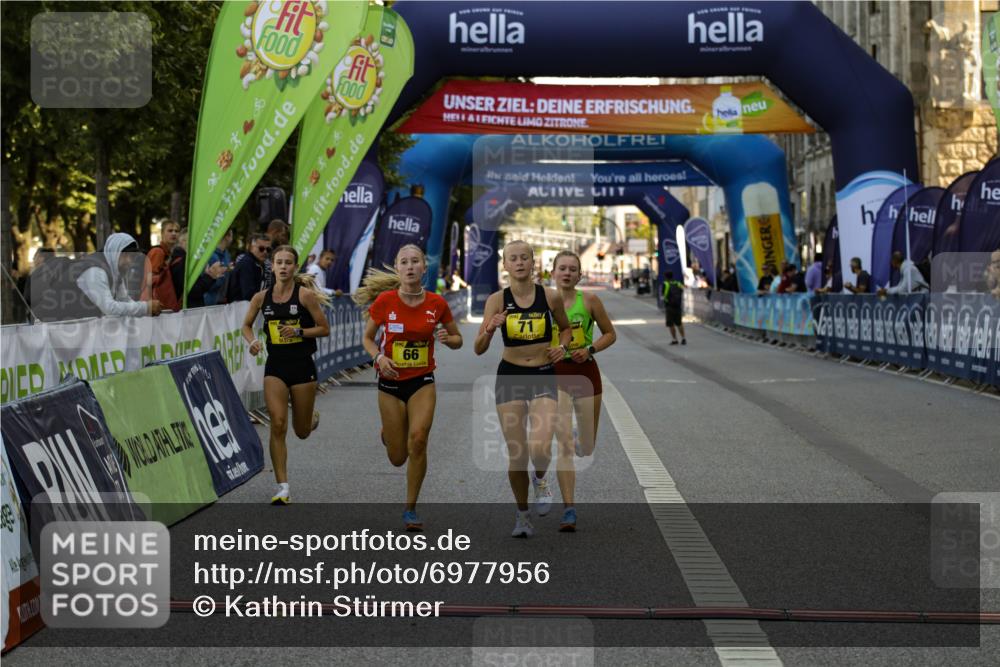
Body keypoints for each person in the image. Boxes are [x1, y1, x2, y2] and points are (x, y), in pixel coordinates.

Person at [355, 245, 463, 531]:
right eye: (405, 262)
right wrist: (378, 356)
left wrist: (446, 337)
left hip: (422, 380)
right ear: (397, 267)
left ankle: (411, 508)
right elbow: (367, 339)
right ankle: (390, 434)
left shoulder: (437, 303)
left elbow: (457, 339)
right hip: (389, 382)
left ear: (424, 268)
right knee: (397, 458)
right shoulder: (385, 301)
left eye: (416, 261)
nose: (411, 266)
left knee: (418, 440)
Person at [474, 240, 572, 538]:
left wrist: (562, 347)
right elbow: (478, 348)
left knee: (541, 446)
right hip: (511, 375)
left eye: (524, 258)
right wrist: (491, 327)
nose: (519, 263)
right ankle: (522, 514)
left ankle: (541, 480)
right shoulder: (497, 300)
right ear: (505, 265)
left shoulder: (550, 296)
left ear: (533, 264)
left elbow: (566, 329)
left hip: (543, 374)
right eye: (513, 259)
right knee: (517, 453)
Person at [241, 245, 330, 505]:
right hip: (276, 367)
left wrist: (300, 332)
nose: (283, 267)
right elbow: (246, 325)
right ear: (272, 266)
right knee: (277, 423)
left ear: (295, 267)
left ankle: (309, 416)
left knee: (301, 431)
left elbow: (324, 328)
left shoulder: (305, 296)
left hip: (302, 367)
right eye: (278, 262)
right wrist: (252, 341)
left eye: (288, 263)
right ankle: (282, 487)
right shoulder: (260, 298)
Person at [550, 251, 616, 532]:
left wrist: (589, 349)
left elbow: (610, 333)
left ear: (579, 275)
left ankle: (582, 440)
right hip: (555, 375)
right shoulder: (543, 303)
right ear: (552, 272)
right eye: (562, 268)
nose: (567, 273)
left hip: (585, 372)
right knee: (563, 443)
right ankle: (569, 509)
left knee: (585, 446)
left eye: (572, 269)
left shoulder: (589, 301)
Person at [75, 233, 161, 318]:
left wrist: (148, 308)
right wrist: (146, 307)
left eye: (132, 257)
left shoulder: (115, 271)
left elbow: (126, 301)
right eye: (125, 255)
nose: (129, 261)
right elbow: (110, 309)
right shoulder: (95, 271)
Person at [168, 228, 228, 308]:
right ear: (183, 242)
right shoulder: (181, 261)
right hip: (187, 312)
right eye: (196, 241)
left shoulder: (185, 260)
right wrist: (210, 276)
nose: (199, 245)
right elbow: (192, 291)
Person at [144, 219, 181, 311]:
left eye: (176, 231)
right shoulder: (158, 252)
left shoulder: (168, 253)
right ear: (162, 233)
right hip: (156, 305)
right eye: (170, 230)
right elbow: (150, 279)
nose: (173, 233)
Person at [228, 233, 272, 302]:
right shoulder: (247, 264)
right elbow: (249, 294)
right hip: (241, 308)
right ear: (251, 248)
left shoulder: (259, 264)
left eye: (268, 249)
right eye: (261, 249)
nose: (265, 252)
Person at [203, 229, 233, 305]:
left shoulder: (226, 254)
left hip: (221, 300)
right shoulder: (211, 255)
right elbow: (211, 283)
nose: (232, 239)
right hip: (209, 301)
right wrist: (225, 272)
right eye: (231, 235)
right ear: (227, 236)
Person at [663, 271, 686, 345]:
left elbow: (664, 295)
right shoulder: (678, 283)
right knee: (679, 323)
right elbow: (683, 289)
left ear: (666, 277)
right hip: (678, 306)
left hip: (669, 306)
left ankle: (674, 339)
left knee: (671, 324)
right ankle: (683, 338)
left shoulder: (665, 284)